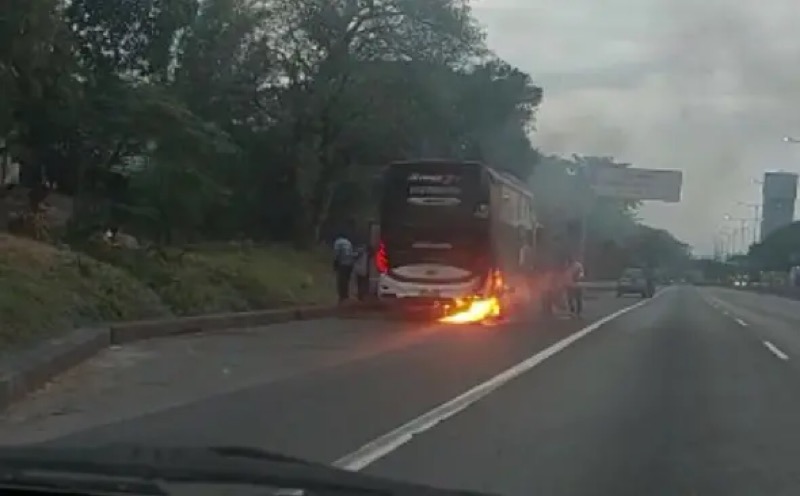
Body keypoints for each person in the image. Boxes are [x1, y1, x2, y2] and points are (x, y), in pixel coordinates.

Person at [332, 232, 355, 303]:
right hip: (350, 264)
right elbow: (351, 253)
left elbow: (336, 254)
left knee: (341, 280)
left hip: (342, 264)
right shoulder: (348, 242)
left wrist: (335, 264)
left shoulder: (337, 242)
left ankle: (342, 297)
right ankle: (346, 296)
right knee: (347, 280)